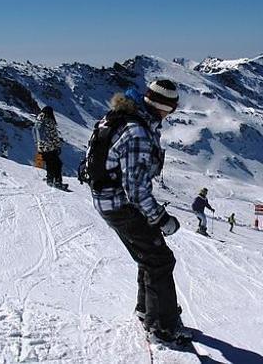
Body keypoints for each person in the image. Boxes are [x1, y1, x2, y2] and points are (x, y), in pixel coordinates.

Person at [89, 80, 189, 345]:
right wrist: (161, 218)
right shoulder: (137, 133)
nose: (171, 115)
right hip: (120, 205)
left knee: (149, 255)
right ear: (163, 107)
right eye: (171, 109)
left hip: (108, 200)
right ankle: (162, 327)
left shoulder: (123, 119)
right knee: (160, 259)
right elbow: (136, 190)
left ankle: (147, 310)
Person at [34, 106, 66, 189]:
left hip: (41, 147)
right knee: (57, 164)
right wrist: (58, 146)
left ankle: (50, 180)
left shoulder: (38, 120)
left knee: (49, 163)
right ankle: (57, 181)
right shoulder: (49, 120)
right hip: (50, 147)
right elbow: (53, 135)